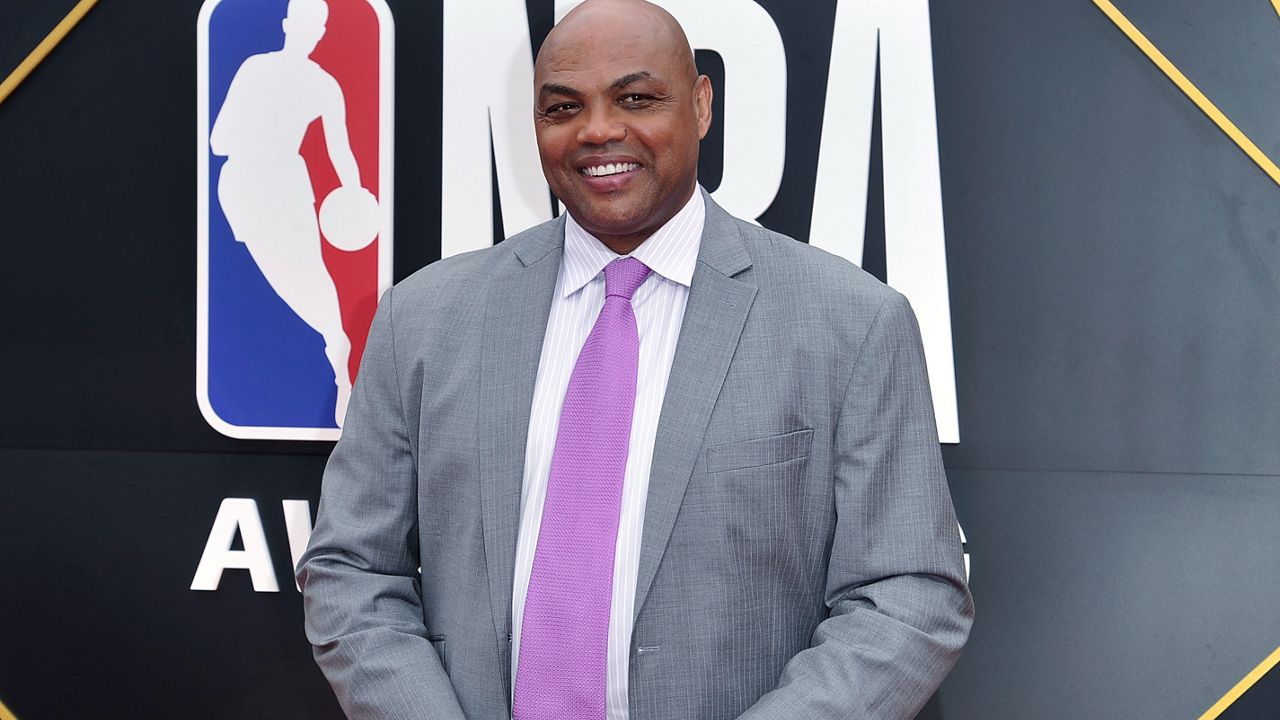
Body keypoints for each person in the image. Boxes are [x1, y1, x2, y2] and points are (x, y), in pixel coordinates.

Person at [297, 0, 973, 717]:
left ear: (702, 104)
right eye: (562, 108)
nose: (598, 131)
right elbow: (351, 569)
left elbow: (907, 597)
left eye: (636, 98)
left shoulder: (852, 323)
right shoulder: (423, 320)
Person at [211, 0, 362, 426]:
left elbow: (221, 140)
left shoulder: (266, 72)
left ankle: (336, 349)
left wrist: (353, 195)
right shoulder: (316, 83)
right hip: (260, 186)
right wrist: (351, 190)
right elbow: (341, 155)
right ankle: (335, 345)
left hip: (263, 183)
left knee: (302, 274)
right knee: (290, 277)